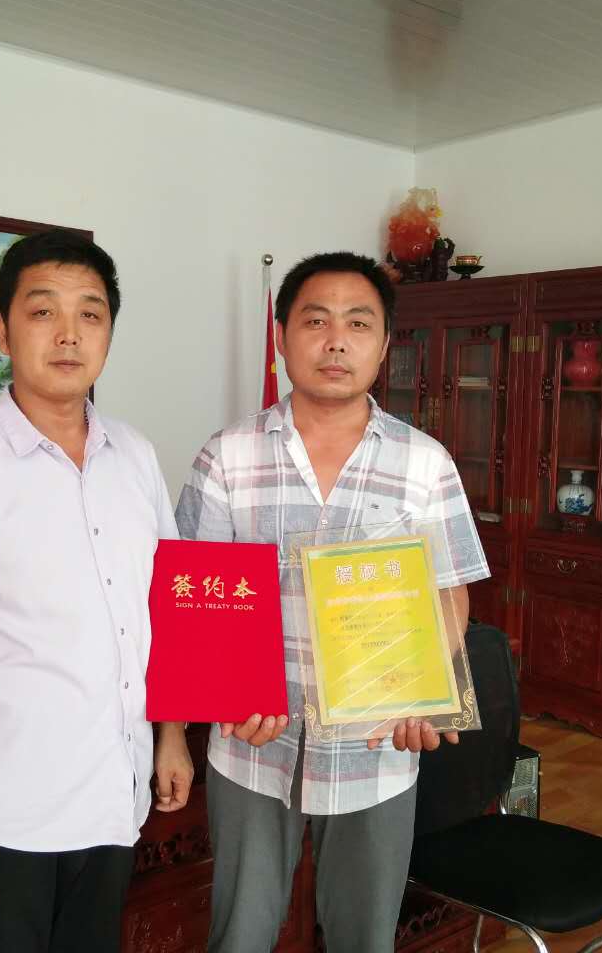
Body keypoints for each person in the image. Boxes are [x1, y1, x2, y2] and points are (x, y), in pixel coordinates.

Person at [0, 229, 194, 953]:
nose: (68, 334)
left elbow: (164, 608)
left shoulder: (136, 457)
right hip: (8, 813)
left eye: (90, 313)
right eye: (43, 311)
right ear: (3, 330)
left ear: (109, 333)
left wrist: (172, 735)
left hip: (116, 793)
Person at [175, 251, 491, 953]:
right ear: (283, 335)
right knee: (240, 935)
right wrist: (226, 691)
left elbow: (449, 593)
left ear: (384, 344)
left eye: (358, 323)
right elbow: (197, 597)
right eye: (316, 321)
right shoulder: (228, 455)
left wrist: (423, 694)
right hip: (253, 743)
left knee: (363, 937)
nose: (336, 341)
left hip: (375, 748)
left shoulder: (424, 463)